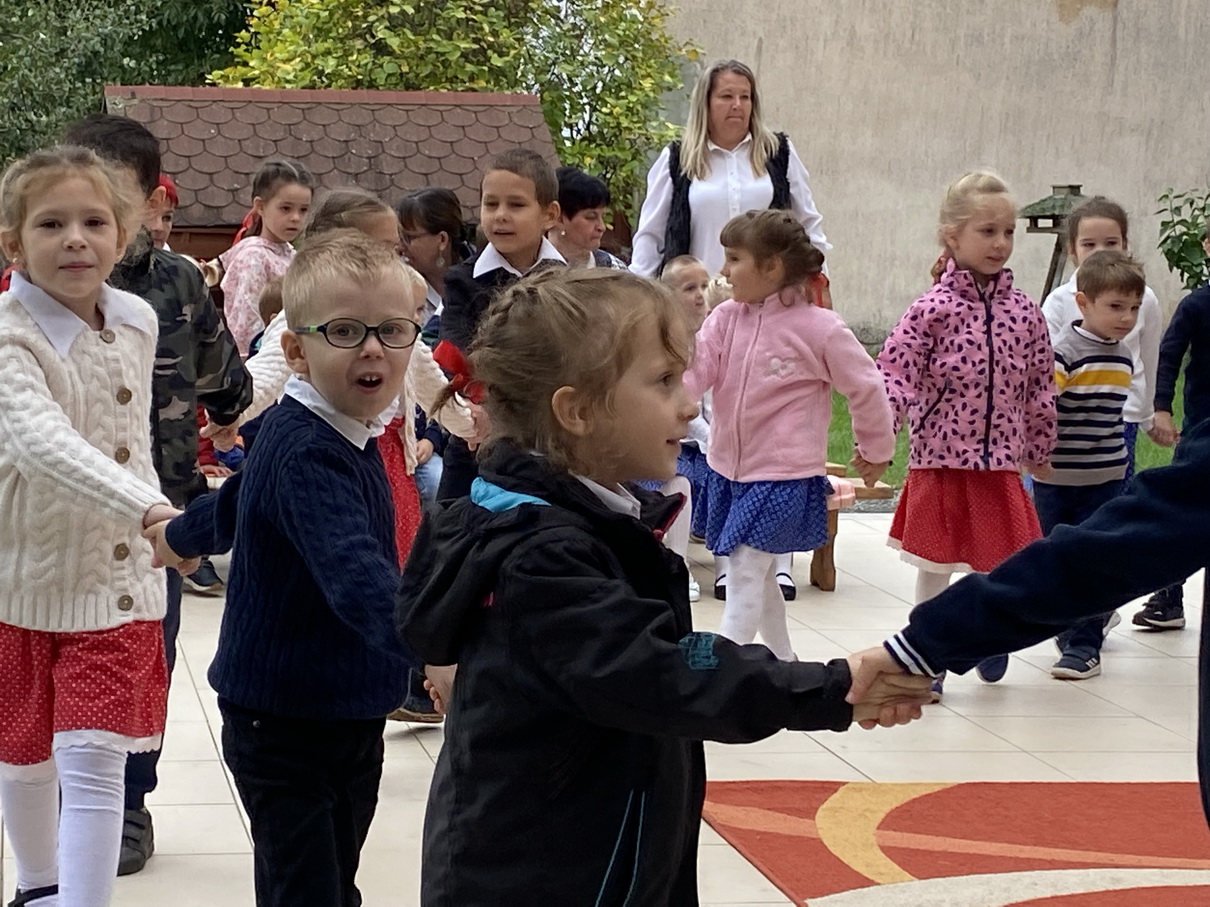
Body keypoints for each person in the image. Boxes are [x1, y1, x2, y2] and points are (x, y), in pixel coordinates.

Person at [395, 267, 931, 906]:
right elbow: (665, 672)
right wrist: (831, 686)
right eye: (664, 381)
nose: (688, 404)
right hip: (548, 878)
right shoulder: (544, 557)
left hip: (598, 853)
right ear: (578, 411)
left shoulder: (573, 519)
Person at [149, 231, 424, 906]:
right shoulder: (308, 449)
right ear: (296, 351)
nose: (373, 348)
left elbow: (241, 501)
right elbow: (355, 575)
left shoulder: (329, 430)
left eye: (392, 331)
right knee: (308, 887)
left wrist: (180, 534)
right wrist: (435, 648)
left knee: (325, 876)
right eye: (345, 331)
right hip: (284, 718)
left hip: (346, 704)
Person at [0, 145, 195, 907]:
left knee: (94, 764)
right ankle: (37, 887)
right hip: (24, 586)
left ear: (124, 234)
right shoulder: (9, 337)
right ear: (14, 242)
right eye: (51, 223)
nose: (75, 238)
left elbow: (132, 443)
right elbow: (41, 444)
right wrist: (146, 507)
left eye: (94, 221)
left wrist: (162, 529)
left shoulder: (138, 319)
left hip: (117, 590)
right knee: (24, 760)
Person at [61, 113, 253, 874]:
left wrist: (232, 414)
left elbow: (225, 381)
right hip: (58, 513)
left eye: (114, 195)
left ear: (150, 202)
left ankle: (128, 801)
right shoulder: (34, 286)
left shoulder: (177, 283)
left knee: (144, 658)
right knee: (55, 651)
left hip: (158, 518)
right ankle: (67, 796)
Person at [207, 187, 474, 724]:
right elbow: (264, 371)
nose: (389, 261)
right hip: (290, 701)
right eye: (375, 249)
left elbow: (429, 379)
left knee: (387, 571)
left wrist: (472, 426)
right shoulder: (304, 432)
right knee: (351, 574)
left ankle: (392, 677)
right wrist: (231, 414)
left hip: (381, 461)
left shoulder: (392, 324)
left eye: (394, 250)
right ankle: (404, 670)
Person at [875, 171, 1056, 699]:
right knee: (935, 566)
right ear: (952, 236)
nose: (1000, 243)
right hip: (940, 461)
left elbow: (1040, 385)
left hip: (999, 466)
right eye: (987, 231)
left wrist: (1039, 444)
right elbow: (894, 375)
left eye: (1008, 232)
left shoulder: (1025, 313)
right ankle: (925, 659)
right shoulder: (930, 310)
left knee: (1002, 565)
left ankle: (990, 635)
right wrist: (879, 437)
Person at [686, 210, 895, 659]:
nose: (724, 270)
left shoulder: (820, 328)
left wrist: (876, 449)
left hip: (783, 477)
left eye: (734, 258)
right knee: (759, 575)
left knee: (744, 570)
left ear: (771, 267)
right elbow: (696, 371)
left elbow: (865, 386)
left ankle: (721, 670)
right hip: (728, 471)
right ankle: (786, 662)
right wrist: (667, 413)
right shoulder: (725, 319)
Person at [1035, 250, 1144, 680]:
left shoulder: (1123, 355)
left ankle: (1084, 646)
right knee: (1055, 557)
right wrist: (1035, 453)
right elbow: (1043, 410)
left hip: (1106, 478)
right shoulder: (1062, 352)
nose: (1126, 318)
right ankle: (1066, 626)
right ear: (1083, 303)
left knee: (1093, 559)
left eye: (1133, 307)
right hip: (1056, 479)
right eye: (1115, 306)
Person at [437, 147, 565, 500]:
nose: (500, 216)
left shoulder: (567, 282)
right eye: (491, 204)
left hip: (549, 436)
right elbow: (453, 349)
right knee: (456, 519)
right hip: (478, 435)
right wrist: (474, 403)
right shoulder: (463, 280)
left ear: (550, 214)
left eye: (516, 205)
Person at [631, 58, 828, 278]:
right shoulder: (678, 159)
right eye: (726, 96)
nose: (737, 105)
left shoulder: (778, 153)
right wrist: (638, 290)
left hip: (767, 292)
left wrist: (820, 281)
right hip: (700, 293)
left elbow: (808, 223)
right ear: (706, 103)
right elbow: (650, 236)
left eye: (745, 97)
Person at [1137, 226, 1210, 631]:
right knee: (1180, 512)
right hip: (1201, 430)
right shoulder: (1196, 305)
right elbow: (1169, 356)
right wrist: (1161, 409)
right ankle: (1169, 599)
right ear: (1207, 247)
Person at [220, 159, 315, 356]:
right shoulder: (252, 257)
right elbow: (244, 325)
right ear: (260, 206)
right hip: (262, 360)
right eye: (286, 208)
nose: (296, 217)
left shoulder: (294, 256)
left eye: (303, 210)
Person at [395, 186, 477, 336]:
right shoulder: (397, 286)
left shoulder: (482, 283)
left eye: (408, 238)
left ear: (442, 240)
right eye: (398, 237)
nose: (399, 247)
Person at [547, 166, 628, 269]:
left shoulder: (615, 270)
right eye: (591, 217)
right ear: (558, 218)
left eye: (603, 217)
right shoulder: (531, 271)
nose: (602, 227)